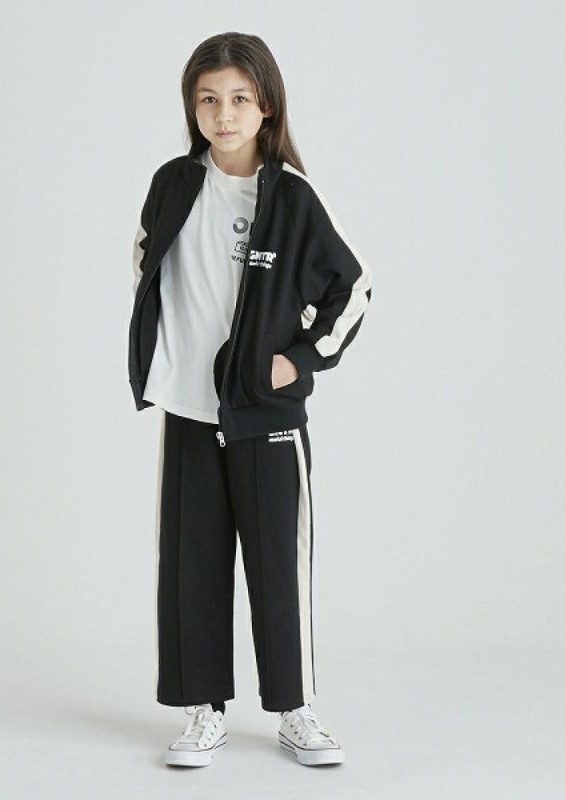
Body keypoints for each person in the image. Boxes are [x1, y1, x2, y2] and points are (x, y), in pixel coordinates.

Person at [128, 32, 372, 768]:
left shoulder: (292, 197)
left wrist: (297, 362)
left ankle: (296, 711)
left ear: (266, 106)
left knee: (276, 569)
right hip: (189, 411)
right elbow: (146, 260)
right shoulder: (173, 184)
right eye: (208, 100)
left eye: (239, 99)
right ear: (192, 107)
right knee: (192, 568)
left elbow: (354, 289)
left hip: (264, 417)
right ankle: (203, 712)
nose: (223, 114)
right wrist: (163, 349)